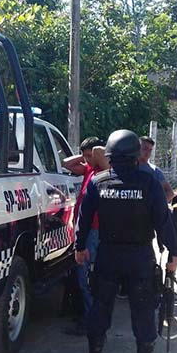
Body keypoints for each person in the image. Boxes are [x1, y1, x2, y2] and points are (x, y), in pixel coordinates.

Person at [75, 129, 177, 353]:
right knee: (143, 311)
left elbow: (84, 218)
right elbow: (164, 222)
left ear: (109, 156)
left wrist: (79, 247)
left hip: (108, 256)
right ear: (136, 155)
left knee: (100, 307)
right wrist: (174, 253)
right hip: (140, 258)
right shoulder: (149, 184)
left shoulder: (98, 182)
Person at [62, 137, 109, 335]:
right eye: (85, 156)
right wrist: (84, 156)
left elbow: (104, 160)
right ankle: (90, 317)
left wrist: (97, 153)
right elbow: (66, 163)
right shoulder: (89, 169)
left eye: (91, 155)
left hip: (94, 231)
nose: (87, 159)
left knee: (88, 278)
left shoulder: (105, 171)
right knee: (84, 277)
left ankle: (92, 322)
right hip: (85, 231)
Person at [138, 136, 175, 202]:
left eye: (150, 150)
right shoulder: (127, 167)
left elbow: (170, 193)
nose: (148, 153)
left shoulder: (154, 171)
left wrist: (156, 204)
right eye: (145, 149)